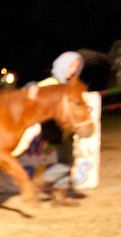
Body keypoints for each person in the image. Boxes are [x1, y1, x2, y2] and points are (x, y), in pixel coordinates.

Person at [33, 51, 85, 207]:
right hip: (54, 130)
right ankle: (38, 182)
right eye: (71, 66)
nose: (74, 70)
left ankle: (59, 196)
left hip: (66, 131)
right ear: (63, 65)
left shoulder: (68, 85)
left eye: (77, 67)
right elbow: (35, 96)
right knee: (67, 162)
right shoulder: (50, 83)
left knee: (66, 160)